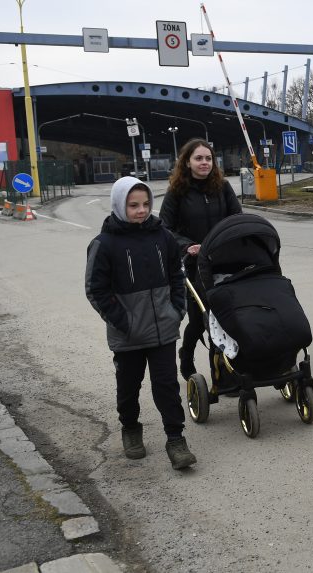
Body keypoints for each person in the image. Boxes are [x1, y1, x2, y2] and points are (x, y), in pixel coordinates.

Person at [85, 177, 197, 470]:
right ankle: (131, 429)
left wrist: (176, 310)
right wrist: (125, 322)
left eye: (146, 204)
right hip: (128, 335)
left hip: (163, 330)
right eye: (133, 205)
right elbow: (96, 290)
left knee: (166, 387)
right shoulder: (104, 244)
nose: (142, 210)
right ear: (119, 205)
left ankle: (176, 439)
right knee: (128, 387)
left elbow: (177, 275)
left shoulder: (163, 238)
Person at [160, 139, 242, 383]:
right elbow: (164, 228)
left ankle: (223, 374)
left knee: (224, 318)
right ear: (187, 162)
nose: (204, 163)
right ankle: (186, 354)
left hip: (223, 260)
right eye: (199, 158)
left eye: (208, 158)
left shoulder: (223, 187)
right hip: (193, 263)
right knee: (200, 320)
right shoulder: (177, 192)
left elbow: (236, 218)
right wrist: (187, 245)